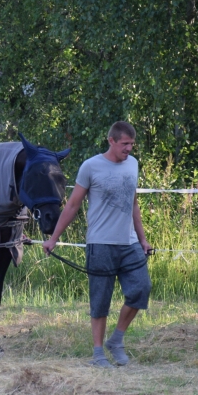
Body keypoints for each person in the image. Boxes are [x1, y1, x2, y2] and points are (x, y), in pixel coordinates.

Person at [40, 121, 154, 368]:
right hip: (101, 243)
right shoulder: (91, 167)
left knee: (141, 289)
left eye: (132, 144)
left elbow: (134, 204)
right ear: (111, 141)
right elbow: (72, 205)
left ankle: (117, 339)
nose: (129, 149)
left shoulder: (133, 165)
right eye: (125, 144)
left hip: (130, 243)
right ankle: (98, 353)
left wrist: (143, 239)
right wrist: (53, 238)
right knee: (100, 301)